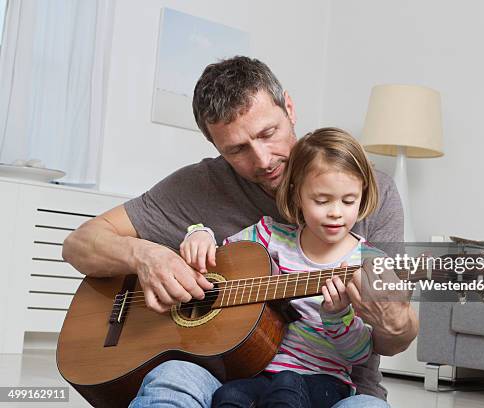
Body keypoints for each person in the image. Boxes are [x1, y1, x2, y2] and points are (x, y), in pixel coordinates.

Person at [62, 56, 418, 408]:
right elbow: (79, 243)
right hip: (221, 377)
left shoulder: (369, 191)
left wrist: (394, 320)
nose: (262, 159)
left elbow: (394, 341)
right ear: (215, 146)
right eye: (237, 149)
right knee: (169, 381)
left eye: (268, 133)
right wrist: (145, 255)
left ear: (289, 108)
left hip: (337, 385)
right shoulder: (198, 186)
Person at [190, 128, 385, 408]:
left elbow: (360, 355)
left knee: (288, 384)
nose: (336, 212)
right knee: (228, 395)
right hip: (261, 371)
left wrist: (337, 316)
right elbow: (218, 263)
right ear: (297, 194)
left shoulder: (369, 263)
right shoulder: (269, 236)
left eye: (348, 201)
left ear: (363, 195)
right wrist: (200, 234)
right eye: (321, 200)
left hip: (326, 381)